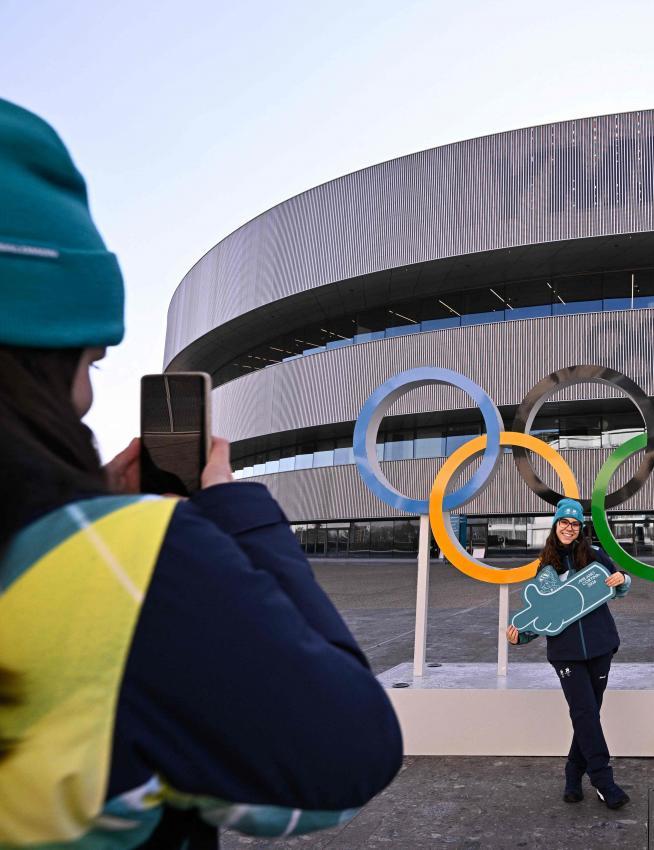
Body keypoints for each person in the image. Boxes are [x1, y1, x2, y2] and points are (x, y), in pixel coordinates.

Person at [0, 98, 402, 849]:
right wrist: (223, 507)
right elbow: (348, 753)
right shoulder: (114, 564)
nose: (85, 399)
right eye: (87, 362)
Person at [506, 499, 633, 810]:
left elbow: (617, 583)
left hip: (601, 646)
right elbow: (543, 615)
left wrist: (623, 580)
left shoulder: (593, 556)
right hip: (566, 653)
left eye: (574, 524)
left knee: (588, 714)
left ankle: (572, 774)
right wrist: (519, 635)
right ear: (555, 525)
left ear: (580, 529)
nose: (569, 527)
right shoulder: (547, 567)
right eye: (564, 522)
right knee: (584, 713)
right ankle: (603, 781)